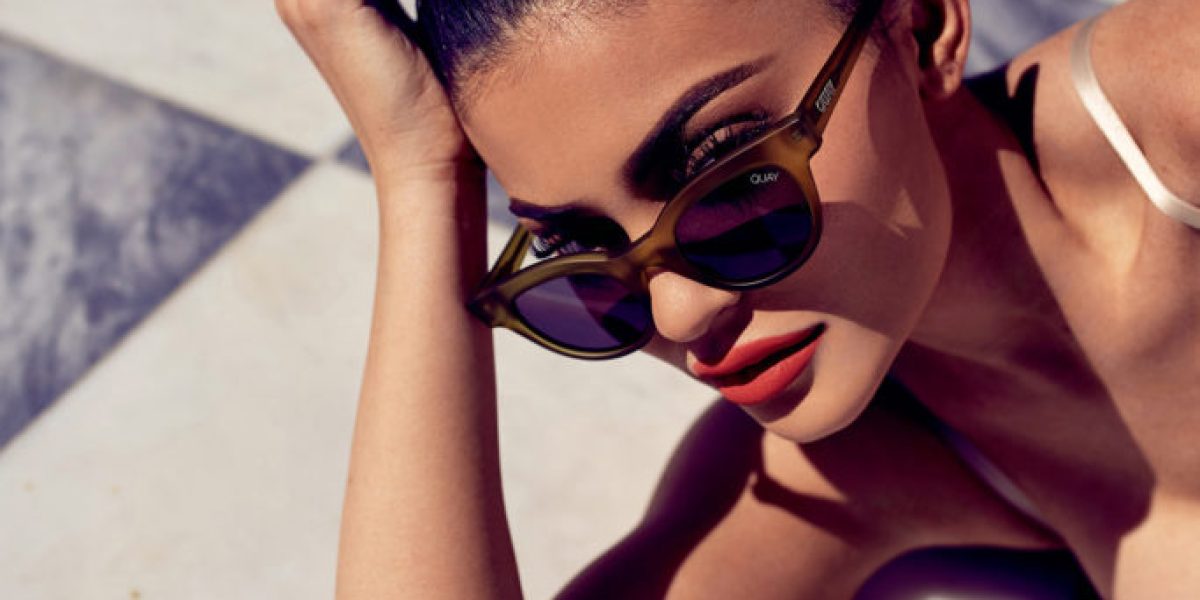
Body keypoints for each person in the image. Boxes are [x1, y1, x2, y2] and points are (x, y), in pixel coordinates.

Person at [275, 0, 1199, 596]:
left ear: (921, 29)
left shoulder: (1179, 106)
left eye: (731, 179)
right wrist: (418, 177)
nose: (678, 317)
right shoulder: (854, 470)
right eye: (584, 255)